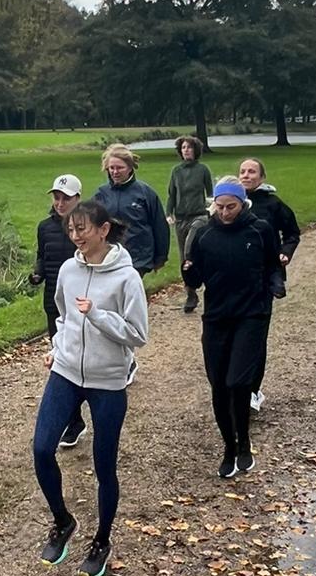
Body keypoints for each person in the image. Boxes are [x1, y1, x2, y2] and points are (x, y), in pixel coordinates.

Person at [32, 199, 149, 576]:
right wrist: (56, 350)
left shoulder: (126, 278)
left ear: (103, 230)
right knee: (41, 448)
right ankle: (63, 522)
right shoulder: (68, 269)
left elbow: (138, 335)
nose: (75, 236)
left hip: (108, 381)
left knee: (104, 467)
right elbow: (64, 317)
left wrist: (97, 315)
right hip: (66, 372)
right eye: (71, 229)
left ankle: (101, 541)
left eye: (82, 228)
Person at [182, 178, 279, 480]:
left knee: (238, 381)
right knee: (220, 386)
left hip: (251, 315)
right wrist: (188, 271)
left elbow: (274, 263)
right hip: (217, 317)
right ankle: (229, 446)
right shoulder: (205, 234)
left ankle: (245, 440)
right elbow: (196, 279)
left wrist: (276, 283)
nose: (224, 213)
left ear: (242, 204)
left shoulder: (259, 229)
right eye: (220, 207)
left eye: (231, 207)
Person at [93, 145, 168, 385]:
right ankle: (120, 358)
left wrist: (160, 256)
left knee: (126, 309)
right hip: (108, 258)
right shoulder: (101, 194)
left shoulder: (145, 193)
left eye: (119, 168)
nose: (114, 172)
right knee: (111, 307)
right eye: (111, 168)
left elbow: (159, 225)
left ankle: (127, 359)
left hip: (137, 258)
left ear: (130, 168)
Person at [29, 173, 87, 448]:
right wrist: (38, 273)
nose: (60, 203)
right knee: (63, 362)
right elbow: (43, 255)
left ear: (78, 199)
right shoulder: (44, 227)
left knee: (85, 359)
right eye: (57, 197)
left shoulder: (87, 227)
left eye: (66, 198)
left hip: (86, 303)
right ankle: (74, 421)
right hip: (55, 304)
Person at [237, 158, 300, 412]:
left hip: (264, 279)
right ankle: (235, 387)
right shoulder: (232, 204)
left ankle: (253, 389)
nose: (246, 175)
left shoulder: (273, 205)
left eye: (252, 172)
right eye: (242, 171)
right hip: (235, 279)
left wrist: (285, 251)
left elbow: (292, 232)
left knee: (255, 337)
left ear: (262, 178)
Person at [166, 135, 213, 313]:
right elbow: (171, 194)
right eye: (183, 147)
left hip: (199, 216)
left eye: (189, 147)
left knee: (189, 248)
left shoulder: (203, 170)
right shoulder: (176, 171)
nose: (186, 150)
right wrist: (168, 213)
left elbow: (210, 194)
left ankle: (209, 285)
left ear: (196, 150)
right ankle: (191, 293)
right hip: (180, 218)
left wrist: (211, 212)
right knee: (183, 257)